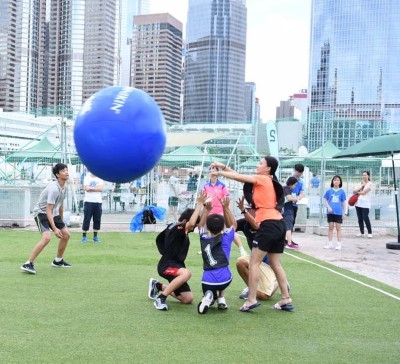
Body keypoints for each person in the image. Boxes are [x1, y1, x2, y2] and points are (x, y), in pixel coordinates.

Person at [210, 157, 293, 312]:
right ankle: (285, 298)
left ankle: (251, 300)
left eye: (260, 163)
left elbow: (237, 177)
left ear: (268, 169)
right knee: (276, 264)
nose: (257, 165)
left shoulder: (262, 178)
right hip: (278, 224)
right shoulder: (265, 180)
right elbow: (241, 177)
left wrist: (219, 172)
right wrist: (224, 167)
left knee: (254, 262)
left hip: (268, 225)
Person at [148, 193, 207, 311]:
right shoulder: (177, 227)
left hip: (177, 267)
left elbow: (199, 225)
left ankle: (157, 285)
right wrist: (199, 205)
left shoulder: (181, 230)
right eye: (192, 226)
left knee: (187, 299)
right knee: (186, 274)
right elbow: (191, 223)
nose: (193, 228)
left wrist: (207, 209)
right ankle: (161, 299)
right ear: (185, 220)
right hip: (166, 266)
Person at [20, 163, 71, 274]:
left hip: (54, 213)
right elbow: (48, 210)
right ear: (57, 174)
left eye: (67, 170)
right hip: (41, 213)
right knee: (47, 238)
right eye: (63, 170)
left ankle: (58, 261)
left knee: (66, 234)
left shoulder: (64, 188)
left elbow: (60, 205)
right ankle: (28, 263)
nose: (66, 172)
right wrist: (55, 228)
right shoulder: (54, 188)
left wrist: (60, 223)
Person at [196, 196, 236, 314]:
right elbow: (233, 224)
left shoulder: (203, 238)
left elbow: (200, 226)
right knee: (225, 269)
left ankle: (209, 295)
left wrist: (207, 210)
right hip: (225, 280)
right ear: (222, 227)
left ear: (208, 227)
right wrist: (226, 208)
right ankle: (221, 298)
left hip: (207, 281)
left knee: (209, 288)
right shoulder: (226, 238)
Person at [235, 196, 279, 301]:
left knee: (264, 297)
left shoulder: (265, 222)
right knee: (240, 262)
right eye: (248, 209)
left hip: (269, 262)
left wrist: (243, 210)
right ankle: (251, 288)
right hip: (256, 259)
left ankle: (279, 281)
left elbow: (256, 225)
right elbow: (230, 226)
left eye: (251, 209)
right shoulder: (244, 222)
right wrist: (226, 208)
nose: (249, 211)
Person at [202, 165, 247, 256]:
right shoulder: (206, 186)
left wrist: (227, 211)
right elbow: (203, 199)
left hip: (221, 213)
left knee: (230, 230)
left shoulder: (222, 186)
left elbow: (227, 200)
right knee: (210, 232)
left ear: (218, 174)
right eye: (211, 172)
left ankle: (241, 249)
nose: (212, 174)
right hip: (210, 213)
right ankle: (211, 249)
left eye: (214, 172)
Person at [323, 175, 347, 250]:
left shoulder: (342, 192)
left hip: (338, 212)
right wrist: (328, 207)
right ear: (332, 181)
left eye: (338, 180)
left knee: (338, 228)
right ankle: (330, 243)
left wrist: (344, 213)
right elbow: (326, 200)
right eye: (335, 180)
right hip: (330, 212)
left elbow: (343, 203)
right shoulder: (329, 191)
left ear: (340, 182)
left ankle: (339, 244)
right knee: (330, 227)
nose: (336, 181)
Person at [81, 170, 104, 243]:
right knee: (87, 219)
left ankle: (95, 236)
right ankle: (84, 236)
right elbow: (86, 188)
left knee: (97, 219)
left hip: (98, 201)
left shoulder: (100, 177)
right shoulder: (86, 177)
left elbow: (101, 189)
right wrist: (95, 188)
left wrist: (91, 188)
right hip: (88, 201)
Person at [288, 163, 305, 249]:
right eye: (297, 171)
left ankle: (289, 239)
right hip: (288, 204)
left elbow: (302, 192)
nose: (298, 174)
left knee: (292, 222)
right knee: (288, 222)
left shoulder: (301, 181)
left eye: (300, 172)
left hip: (295, 204)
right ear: (294, 170)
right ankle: (287, 240)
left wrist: (299, 197)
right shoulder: (290, 178)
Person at [353, 171, 373, 238]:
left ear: (368, 176)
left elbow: (364, 192)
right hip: (358, 203)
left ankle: (370, 232)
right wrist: (361, 187)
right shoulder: (360, 183)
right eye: (363, 175)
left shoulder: (370, 184)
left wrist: (358, 192)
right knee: (360, 218)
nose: (364, 176)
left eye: (365, 175)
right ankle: (362, 233)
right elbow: (354, 191)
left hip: (366, 203)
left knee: (365, 217)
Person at [282, 176, 299, 250]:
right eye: (294, 184)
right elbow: (289, 198)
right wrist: (295, 199)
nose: (295, 186)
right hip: (287, 209)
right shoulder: (286, 188)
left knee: (287, 226)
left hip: (287, 209)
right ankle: (289, 243)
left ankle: (285, 241)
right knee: (288, 226)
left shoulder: (287, 189)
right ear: (291, 183)